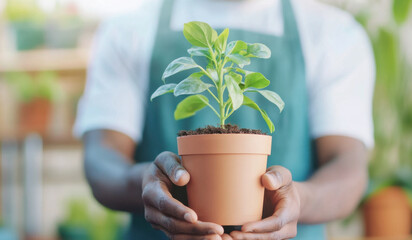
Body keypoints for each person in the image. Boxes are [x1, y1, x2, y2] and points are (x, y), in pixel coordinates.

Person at [74, 0, 374, 239]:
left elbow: (348, 168)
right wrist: (144, 183)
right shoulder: (128, 29)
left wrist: (299, 200)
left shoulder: (334, 32)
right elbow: (102, 158)